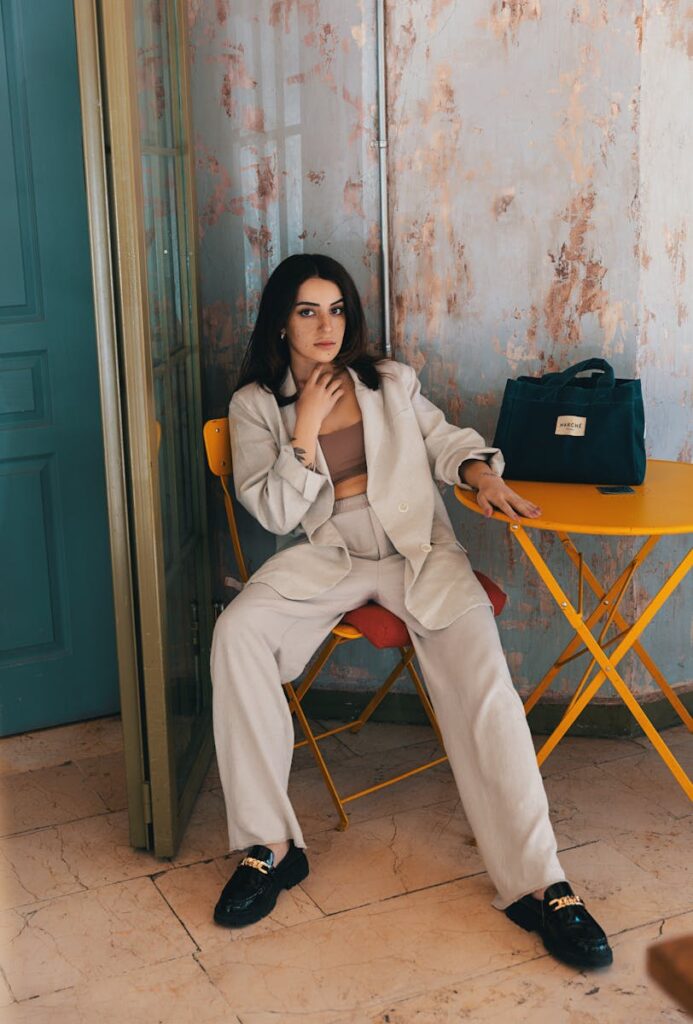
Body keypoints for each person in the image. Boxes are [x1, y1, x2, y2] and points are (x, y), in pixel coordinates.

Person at [210, 253, 612, 969]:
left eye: (335, 309)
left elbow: (441, 438)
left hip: (416, 553)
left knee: (487, 693)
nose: (326, 325)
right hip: (328, 555)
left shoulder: (387, 381)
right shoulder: (253, 406)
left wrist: (479, 471)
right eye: (307, 310)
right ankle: (269, 847)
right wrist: (301, 427)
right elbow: (270, 509)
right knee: (236, 633)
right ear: (280, 321)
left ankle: (541, 885)